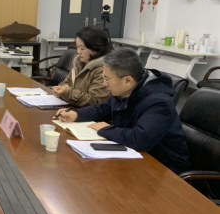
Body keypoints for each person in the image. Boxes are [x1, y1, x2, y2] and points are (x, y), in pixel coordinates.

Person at [56, 48, 191, 174]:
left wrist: (105, 129)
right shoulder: (128, 89)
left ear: (127, 80)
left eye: (107, 79)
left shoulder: (159, 103)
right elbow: (104, 108)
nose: (104, 84)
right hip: (134, 156)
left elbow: (139, 139)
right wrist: (77, 114)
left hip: (165, 169)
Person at [52, 26, 112, 107]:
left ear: (96, 49)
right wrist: (61, 89)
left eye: (82, 49)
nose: (78, 52)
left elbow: (94, 101)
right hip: (74, 108)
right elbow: (66, 82)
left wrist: (66, 92)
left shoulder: (103, 70)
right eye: (77, 47)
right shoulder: (80, 63)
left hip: (88, 113)